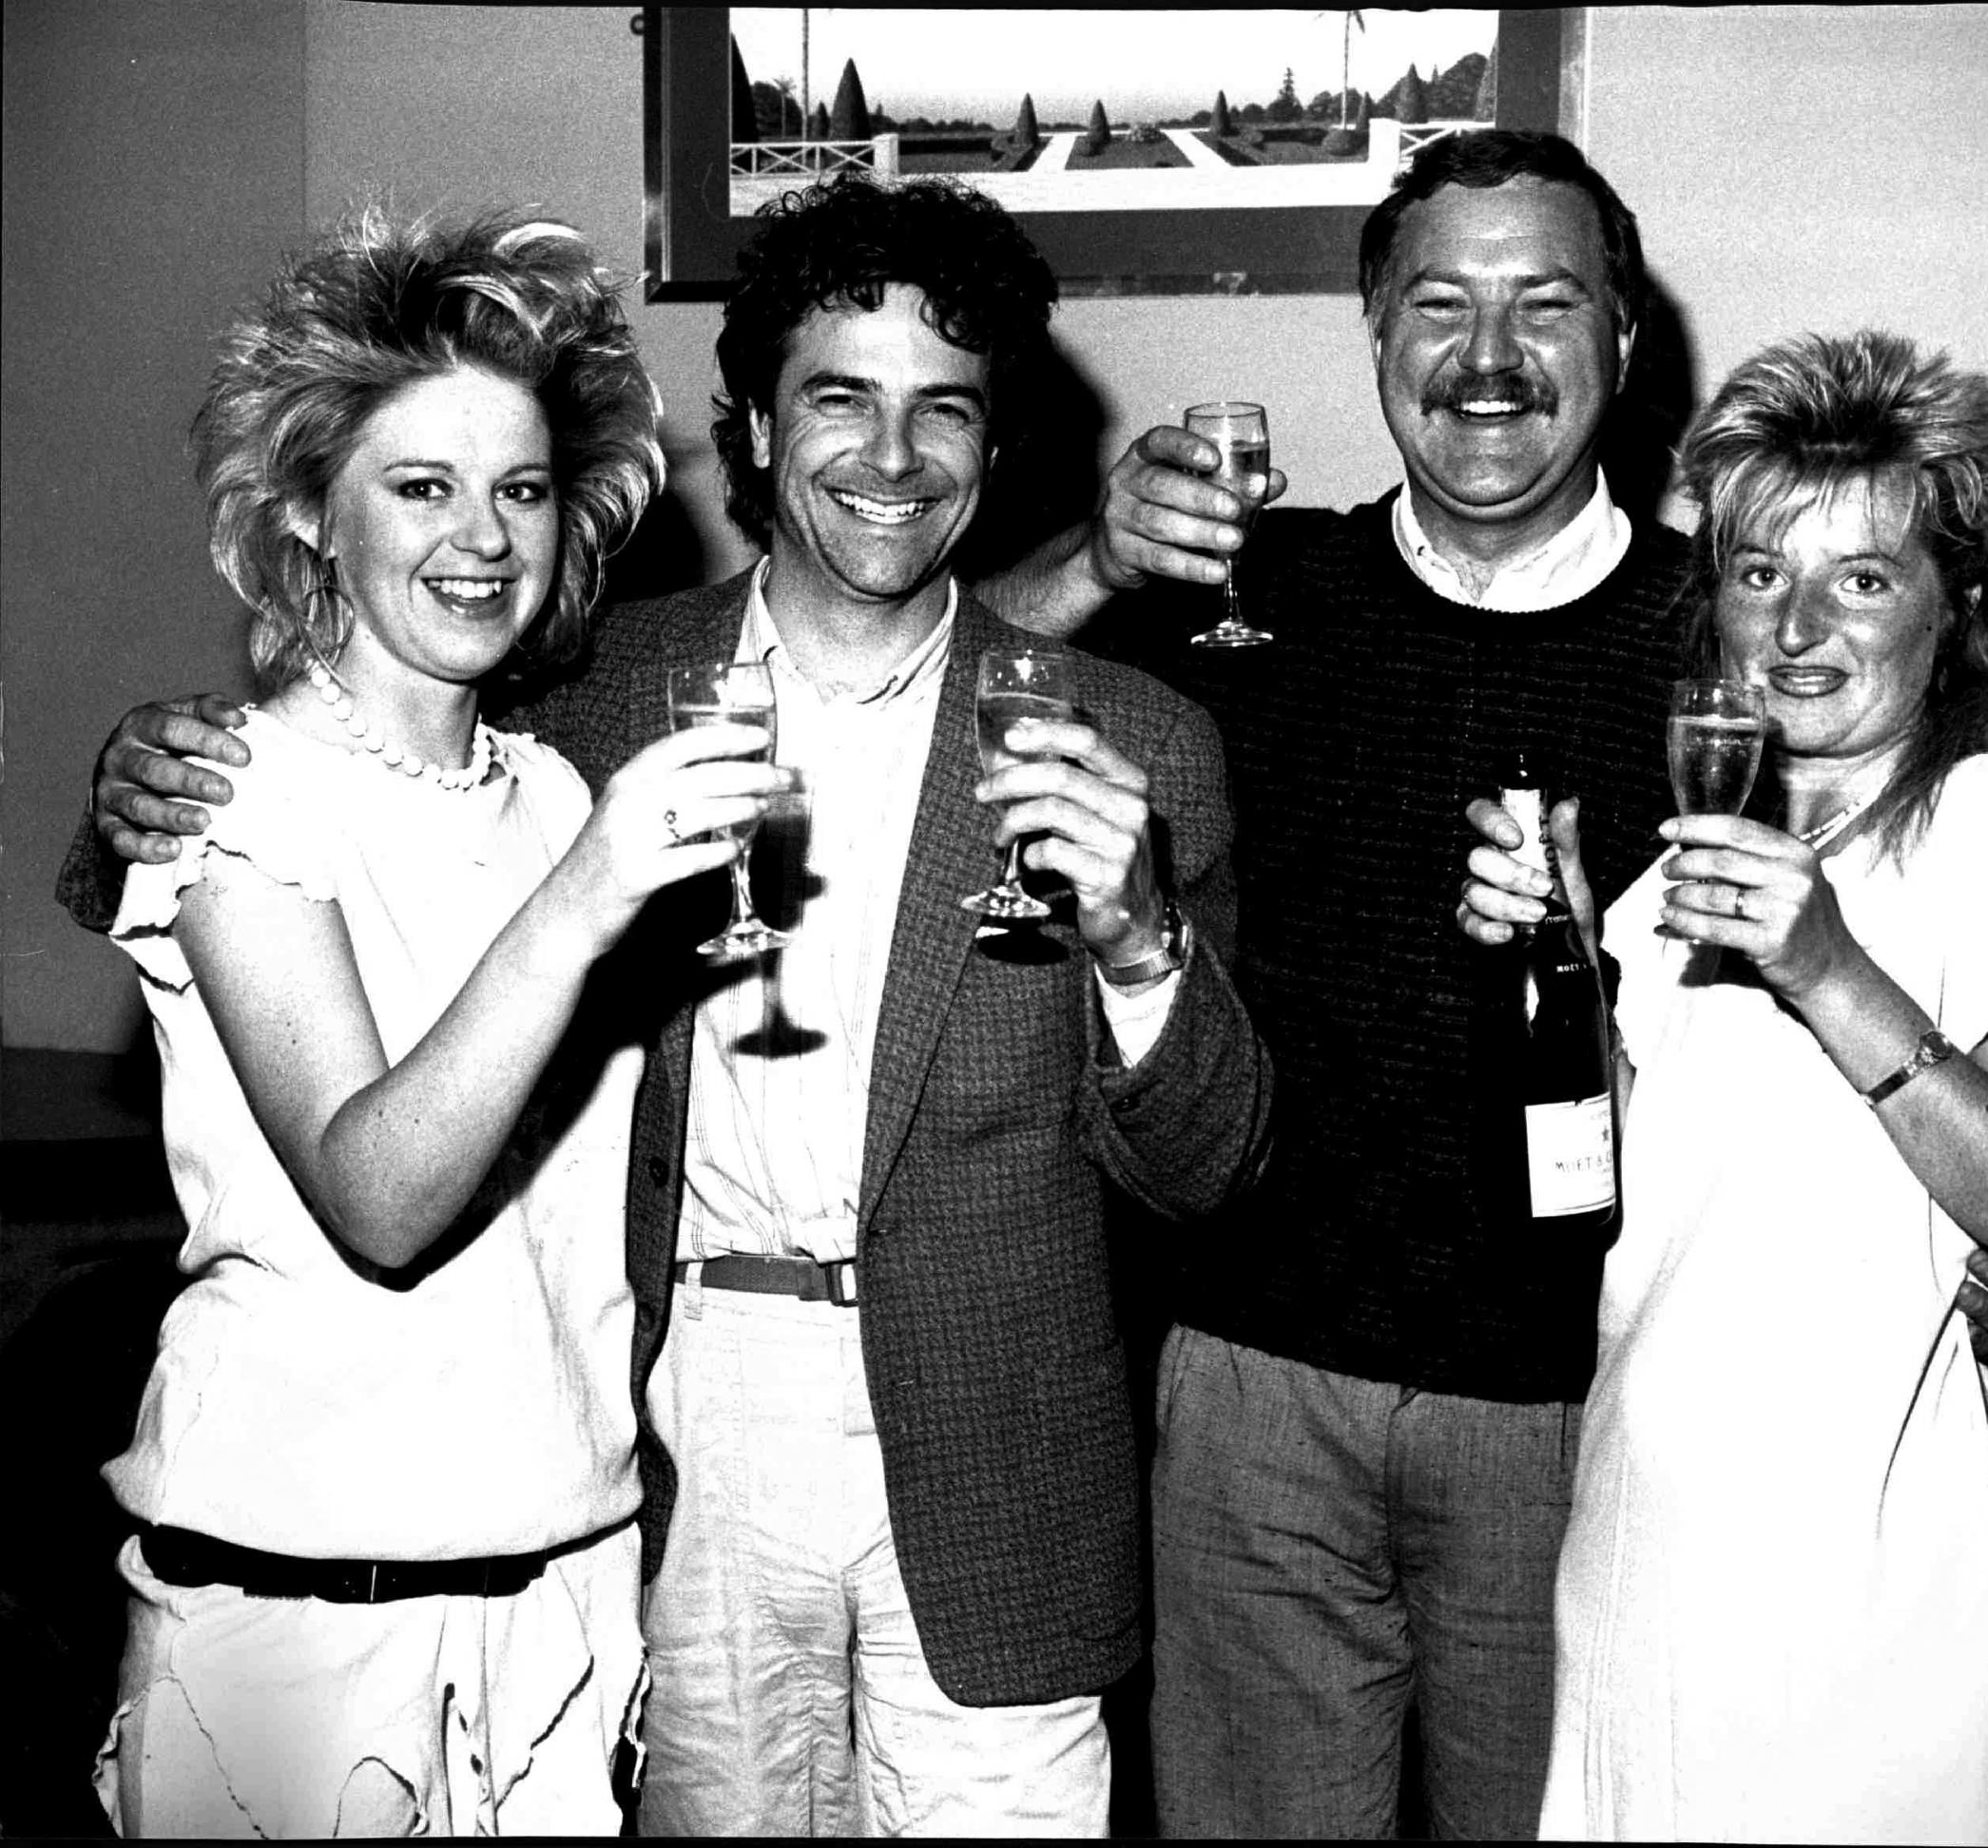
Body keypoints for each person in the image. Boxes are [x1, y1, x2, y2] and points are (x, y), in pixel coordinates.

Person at [65, 174, 1272, 1837]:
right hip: (666, 1432)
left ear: (1001, 456)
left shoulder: (1134, 740)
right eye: (838, 402)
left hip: (996, 1448)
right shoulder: (599, 697)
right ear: (758, 438)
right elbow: (350, 739)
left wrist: (1140, 948)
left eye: (947, 414)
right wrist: (140, 771)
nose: (892, 458)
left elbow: (1210, 1168)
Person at [980, 130, 1988, 1838]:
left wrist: (1976, 1254)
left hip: (1584, 1425)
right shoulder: (1257, 594)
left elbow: (1934, 942)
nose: (1488, 360)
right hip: (1259, 1389)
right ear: (1375, 339)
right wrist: (1099, 557)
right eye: (1438, 308)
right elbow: (944, 682)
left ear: (1625, 345)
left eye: (1545, 305)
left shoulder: (1741, 648)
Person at [79, 209, 779, 1837]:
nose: (483, 538)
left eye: (521, 489)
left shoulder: (549, 791)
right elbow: (378, 1198)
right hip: (294, 1621)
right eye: (421, 485)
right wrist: (598, 887)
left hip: (562, 1600)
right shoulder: (234, 797)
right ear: (314, 513)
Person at [1477, 331, 1988, 1842]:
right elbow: (1610, 1212)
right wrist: (1563, 959)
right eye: (1761, 574)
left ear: (1956, 609)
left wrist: (1827, 965)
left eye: (1862, 577)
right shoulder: (1669, 889)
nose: (1796, 625)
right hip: (1641, 1558)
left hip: (1864, 1590)